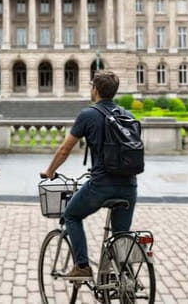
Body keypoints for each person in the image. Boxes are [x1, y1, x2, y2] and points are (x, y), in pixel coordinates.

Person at [41, 70, 138, 281]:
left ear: (95, 89)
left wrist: (50, 171)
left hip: (101, 185)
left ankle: (82, 266)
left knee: (71, 215)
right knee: (120, 236)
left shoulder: (88, 114)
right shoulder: (127, 115)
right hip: (129, 186)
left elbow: (65, 150)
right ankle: (125, 278)